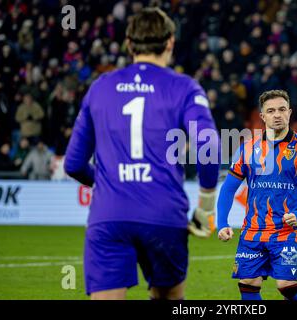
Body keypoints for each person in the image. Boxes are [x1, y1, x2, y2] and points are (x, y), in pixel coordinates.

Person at [64, 8, 220, 300]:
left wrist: (109, 182)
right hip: (163, 214)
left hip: (108, 216)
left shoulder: (100, 87)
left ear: (128, 43)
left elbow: (73, 164)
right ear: (170, 42)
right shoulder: (184, 87)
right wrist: (206, 206)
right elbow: (208, 145)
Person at [216, 90, 297, 300]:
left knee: (286, 285)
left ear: (290, 113)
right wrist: (222, 222)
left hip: (286, 230)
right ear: (262, 116)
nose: (276, 115)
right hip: (253, 230)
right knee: (248, 283)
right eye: (270, 111)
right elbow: (228, 188)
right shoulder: (248, 148)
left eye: (281, 109)